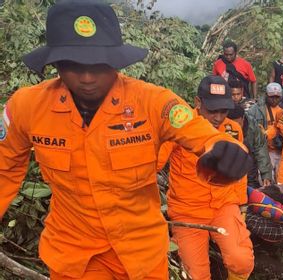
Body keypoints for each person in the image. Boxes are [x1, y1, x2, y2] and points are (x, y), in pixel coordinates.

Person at [0, 2, 252, 279]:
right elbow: (4, 168)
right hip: (74, 256)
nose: (86, 77)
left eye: (98, 65)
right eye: (72, 65)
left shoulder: (152, 102)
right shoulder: (26, 107)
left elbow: (201, 133)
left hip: (141, 254)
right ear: (55, 62)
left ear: (116, 60)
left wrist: (224, 150)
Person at [157, 75, 254, 280]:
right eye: (212, 110)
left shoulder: (232, 130)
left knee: (241, 260)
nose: (218, 117)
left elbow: (239, 168)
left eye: (224, 111)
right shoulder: (178, 127)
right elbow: (153, 164)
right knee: (195, 275)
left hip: (224, 205)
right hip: (187, 212)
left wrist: (242, 205)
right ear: (198, 102)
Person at [228, 105, 272, 188]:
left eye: (238, 124)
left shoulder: (252, 125)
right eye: (232, 125)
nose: (236, 127)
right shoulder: (222, 125)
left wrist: (266, 174)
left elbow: (260, 148)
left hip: (249, 164)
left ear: (243, 118)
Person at [247, 83, 283, 179]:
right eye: (272, 97)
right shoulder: (255, 110)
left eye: (277, 97)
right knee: (266, 179)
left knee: (281, 179)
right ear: (266, 95)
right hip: (266, 151)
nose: (274, 99)